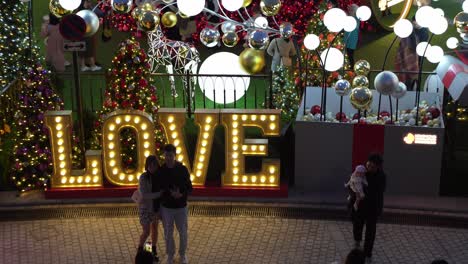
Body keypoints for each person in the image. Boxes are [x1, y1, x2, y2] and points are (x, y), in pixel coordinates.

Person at [158, 144, 193, 264]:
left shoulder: (182, 169)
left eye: (170, 155)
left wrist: (181, 194)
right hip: (167, 207)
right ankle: (170, 254)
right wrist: (169, 195)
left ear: (175, 155)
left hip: (181, 207)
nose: (168, 158)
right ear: (164, 155)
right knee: (168, 233)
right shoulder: (161, 171)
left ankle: (182, 255)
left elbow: (189, 187)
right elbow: (160, 189)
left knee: (183, 232)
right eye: (166, 155)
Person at [351, 153, 386, 263]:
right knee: (357, 225)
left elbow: (378, 192)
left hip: (373, 208)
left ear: (378, 167)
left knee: (370, 232)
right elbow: (353, 181)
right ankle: (357, 241)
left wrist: (363, 193)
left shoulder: (382, 176)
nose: (369, 168)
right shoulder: (361, 171)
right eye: (368, 164)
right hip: (360, 206)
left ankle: (367, 254)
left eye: (372, 166)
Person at [136, 155, 161, 262]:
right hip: (145, 208)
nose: (152, 167)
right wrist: (159, 194)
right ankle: (140, 250)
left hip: (155, 208)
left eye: (154, 165)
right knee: (146, 231)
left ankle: (152, 250)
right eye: (150, 165)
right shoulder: (143, 177)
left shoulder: (160, 176)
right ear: (147, 166)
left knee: (154, 229)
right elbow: (144, 195)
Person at [78, 0, 102, 72]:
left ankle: (83, 66)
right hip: (87, 34)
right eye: (88, 2)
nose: (90, 3)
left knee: (82, 50)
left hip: (81, 34)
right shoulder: (86, 12)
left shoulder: (80, 11)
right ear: (84, 3)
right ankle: (92, 66)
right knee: (89, 50)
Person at [344, 4, 360, 69]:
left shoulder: (356, 19)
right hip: (347, 39)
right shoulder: (349, 17)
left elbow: (354, 26)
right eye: (350, 10)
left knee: (350, 55)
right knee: (347, 54)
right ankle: (349, 67)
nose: (350, 11)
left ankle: (352, 69)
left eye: (351, 10)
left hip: (352, 40)